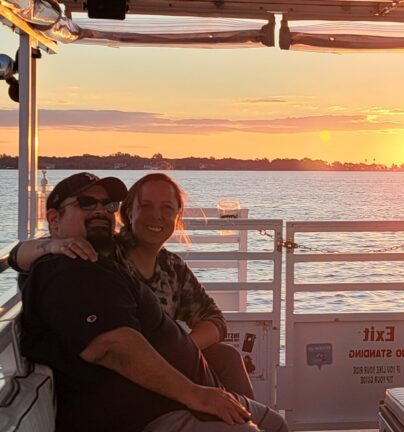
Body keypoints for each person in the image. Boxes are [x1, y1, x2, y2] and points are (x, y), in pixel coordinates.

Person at [19, 172, 288, 432]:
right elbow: (109, 345)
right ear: (129, 213)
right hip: (157, 403)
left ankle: (238, 417)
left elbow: (215, 318)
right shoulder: (86, 257)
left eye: (107, 204)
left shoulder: (169, 267)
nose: (156, 216)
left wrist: (184, 350)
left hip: (175, 387)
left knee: (242, 379)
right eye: (87, 203)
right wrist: (49, 246)